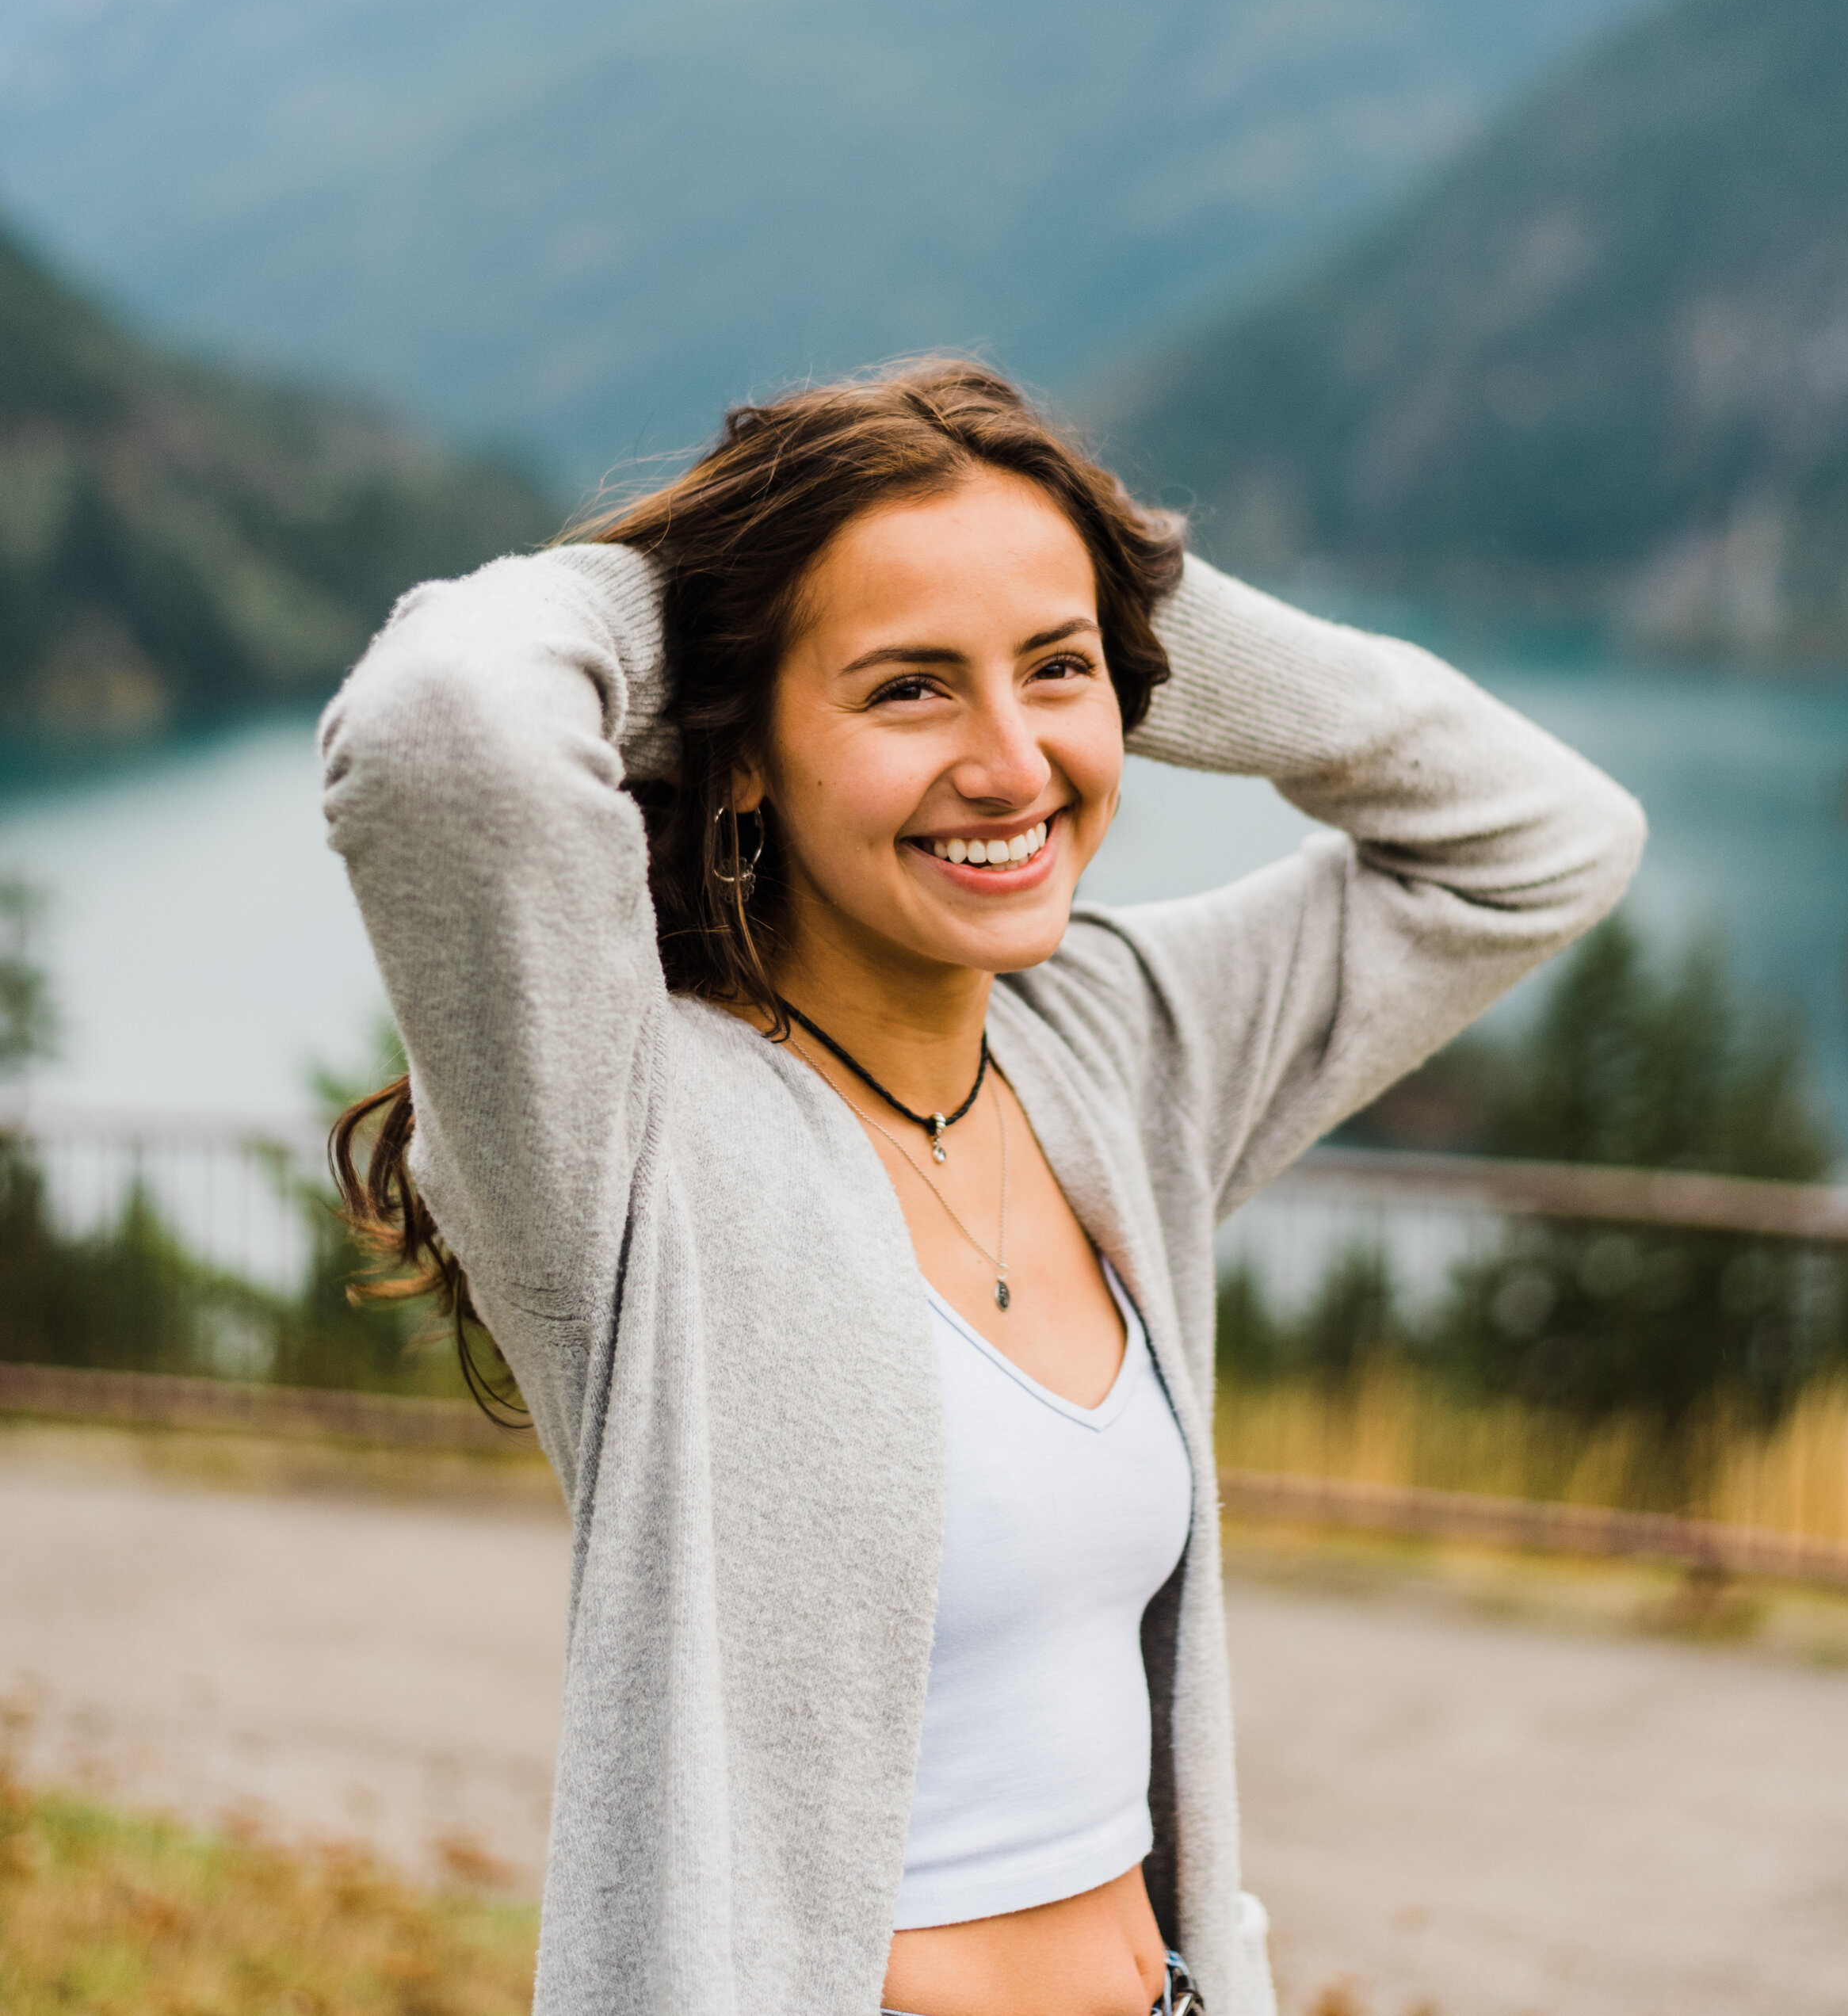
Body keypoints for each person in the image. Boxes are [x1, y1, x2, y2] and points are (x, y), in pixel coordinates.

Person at [323, 357, 1644, 2016]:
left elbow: (1541, 837)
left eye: (1055, 674)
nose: (1010, 762)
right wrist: (715, 596)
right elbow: (441, 729)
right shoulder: (621, 1127)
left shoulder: (1112, 1048)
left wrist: (1095, 571)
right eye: (907, 691)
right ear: (738, 752)